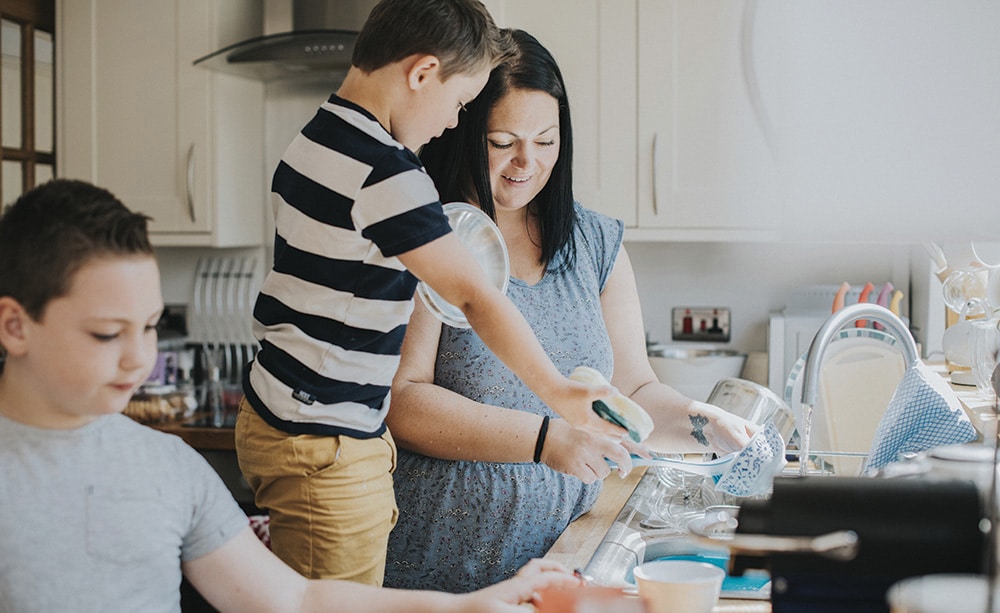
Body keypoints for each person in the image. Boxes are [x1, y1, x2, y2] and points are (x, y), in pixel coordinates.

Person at [0, 179, 582, 612]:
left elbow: (297, 600)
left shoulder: (169, 467)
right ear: (15, 326)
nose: (139, 358)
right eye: (107, 333)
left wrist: (466, 606)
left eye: (150, 326)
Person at [236, 0, 630, 587]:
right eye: (459, 103)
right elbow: (474, 296)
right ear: (421, 74)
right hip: (326, 442)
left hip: (280, 419)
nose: (453, 123)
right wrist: (557, 390)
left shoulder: (316, 139)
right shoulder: (389, 174)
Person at [383, 30, 757, 592]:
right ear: (462, 130)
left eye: (546, 140)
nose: (525, 163)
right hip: (443, 564)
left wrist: (706, 423)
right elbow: (404, 402)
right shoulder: (434, 234)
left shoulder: (594, 244)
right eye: (503, 140)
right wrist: (546, 438)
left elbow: (631, 391)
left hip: (564, 555)